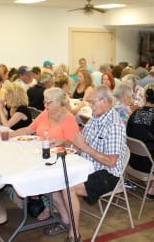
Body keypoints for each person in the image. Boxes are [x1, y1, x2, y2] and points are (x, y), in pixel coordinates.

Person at [52, 86, 126, 242]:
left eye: (92, 103)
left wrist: (84, 147)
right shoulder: (95, 118)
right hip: (88, 165)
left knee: (68, 186)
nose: (90, 107)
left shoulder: (114, 125)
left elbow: (111, 162)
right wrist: (65, 143)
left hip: (107, 174)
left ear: (105, 101)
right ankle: (66, 218)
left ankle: (74, 234)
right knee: (52, 176)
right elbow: (80, 144)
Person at [12, 87, 79, 146]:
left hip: (58, 155)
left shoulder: (69, 120)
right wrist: (10, 134)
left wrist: (63, 142)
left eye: (48, 103)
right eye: (44, 102)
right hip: (39, 149)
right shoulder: (46, 113)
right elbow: (28, 130)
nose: (45, 105)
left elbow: (75, 147)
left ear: (59, 102)